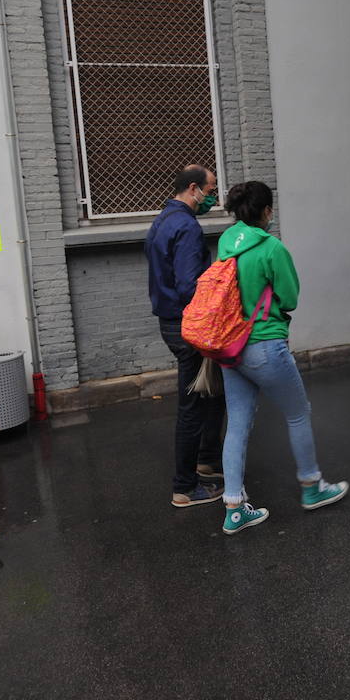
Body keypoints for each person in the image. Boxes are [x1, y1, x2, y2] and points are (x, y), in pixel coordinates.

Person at [215, 181, 347, 535]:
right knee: (297, 413)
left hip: (230, 349)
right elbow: (289, 299)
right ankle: (311, 487)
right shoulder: (272, 248)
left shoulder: (226, 244)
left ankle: (233, 507)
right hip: (264, 345)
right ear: (267, 211)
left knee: (238, 425)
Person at [144, 165, 226, 507]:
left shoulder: (162, 220)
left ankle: (206, 459)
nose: (212, 197)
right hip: (187, 325)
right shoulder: (187, 227)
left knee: (211, 392)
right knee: (194, 403)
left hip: (170, 321)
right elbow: (190, 285)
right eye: (210, 189)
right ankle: (185, 487)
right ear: (193, 188)